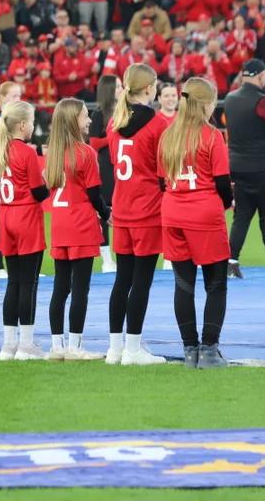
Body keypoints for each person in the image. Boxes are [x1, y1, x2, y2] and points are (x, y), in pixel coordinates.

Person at [160, 77, 234, 369]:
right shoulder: (211, 135)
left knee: (183, 285)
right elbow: (222, 183)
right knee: (216, 286)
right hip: (205, 215)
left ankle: (190, 351)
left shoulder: (168, 135)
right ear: (206, 103)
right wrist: (225, 204)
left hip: (173, 213)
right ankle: (210, 350)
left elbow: (160, 181)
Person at [105, 63, 168, 365]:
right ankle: (133, 350)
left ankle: (115, 348)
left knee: (122, 279)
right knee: (141, 281)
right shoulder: (158, 125)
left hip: (122, 208)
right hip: (147, 210)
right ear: (148, 88)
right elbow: (164, 169)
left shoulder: (114, 122)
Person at [45, 98, 109, 362]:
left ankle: (56, 345)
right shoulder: (85, 153)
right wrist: (107, 214)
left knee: (60, 287)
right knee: (80, 288)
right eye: (85, 116)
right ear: (74, 121)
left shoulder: (53, 153)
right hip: (81, 224)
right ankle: (75, 346)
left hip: (59, 224)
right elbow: (94, 195)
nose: (89, 120)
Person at [0, 101, 50, 361]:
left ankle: (8, 345)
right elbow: (38, 192)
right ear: (23, 125)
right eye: (33, 122)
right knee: (29, 283)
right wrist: (50, 180)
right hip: (25, 216)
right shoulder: (26, 152)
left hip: (5, 215)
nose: (34, 126)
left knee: (13, 282)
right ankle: (26, 345)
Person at [222, 58, 265, 278]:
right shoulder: (263, 101)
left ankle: (231, 261)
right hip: (263, 167)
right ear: (259, 75)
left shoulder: (229, 98)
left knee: (241, 216)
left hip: (237, 166)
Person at [87, 74, 121, 273]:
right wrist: (113, 136)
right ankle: (107, 260)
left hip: (122, 166)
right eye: (117, 86)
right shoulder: (99, 114)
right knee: (106, 212)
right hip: (106, 168)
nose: (121, 88)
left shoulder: (126, 111)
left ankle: (123, 253)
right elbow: (94, 143)